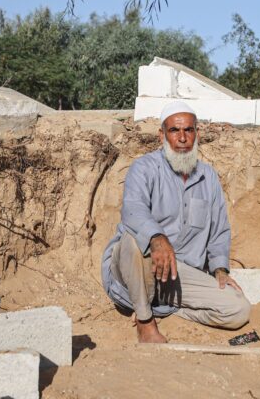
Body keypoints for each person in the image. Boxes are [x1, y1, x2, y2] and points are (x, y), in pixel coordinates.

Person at [100, 101, 251, 343]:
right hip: (137, 267)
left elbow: (219, 230)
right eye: (174, 131)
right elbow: (133, 209)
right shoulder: (144, 168)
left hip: (179, 275)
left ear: (196, 134)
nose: (182, 138)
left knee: (238, 310)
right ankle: (145, 322)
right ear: (162, 135)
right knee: (132, 240)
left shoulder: (208, 177)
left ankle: (164, 309)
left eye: (188, 130)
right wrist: (156, 238)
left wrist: (219, 269)